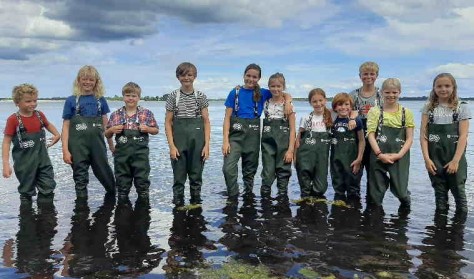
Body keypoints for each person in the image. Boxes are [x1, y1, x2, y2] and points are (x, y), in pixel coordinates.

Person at [222, 63, 292, 198]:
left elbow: (283, 93)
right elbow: (227, 118)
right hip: (234, 137)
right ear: (243, 76)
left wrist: (288, 102)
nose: (251, 79)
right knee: (228, 168)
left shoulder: (263, 93)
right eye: (248, 75)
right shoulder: (234, 93)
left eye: (254, 77)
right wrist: (225, 141)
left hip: (252, 138)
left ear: (258, 79)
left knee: (250, 171)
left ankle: (248, 198)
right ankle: (233, 196)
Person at [61, 65, 115, 199]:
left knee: (105, 173)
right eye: (84, 79)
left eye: (91, 80)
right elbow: (66, 126)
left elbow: (106, 125)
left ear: (96, 82)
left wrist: (111, 146)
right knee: (80, 178)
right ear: (78, 80)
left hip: (97, 146)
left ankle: (114, 199)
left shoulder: (100, 100)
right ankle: (81, 210)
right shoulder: (71, 100)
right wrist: (65, 150)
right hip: (77, 147)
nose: (87, 82)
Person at [420, 73, 471, 214]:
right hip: (434, 159)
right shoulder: (428, 108)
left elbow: (463, 136)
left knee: (459, 195)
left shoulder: (461, 107)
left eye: (447, 86)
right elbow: (423, 136)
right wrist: (426, 159)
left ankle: (459, 232)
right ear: (434, 88)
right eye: (439, 86)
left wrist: (455, 160)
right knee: (440, 197)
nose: (443, 89)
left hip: (455, 158)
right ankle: (439, 231)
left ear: (453, 87)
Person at [2, 83, 60, 202]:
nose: (33, 104)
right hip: (24, 164)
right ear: (17, 103)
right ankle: (26, 217)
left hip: (43, 161)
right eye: (28, 101)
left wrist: (57, 135)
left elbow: (48, 124)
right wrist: (6, 164)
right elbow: (6, 142)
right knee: (26, 192)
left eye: (35, 100)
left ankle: (47, 216)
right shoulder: (13, 120)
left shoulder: (39, 115)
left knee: (48, 187)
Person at [165, 62, 210, 206]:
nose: (186, 78)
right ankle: (178, 205)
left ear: (194, 76)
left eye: (189, 75)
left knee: (196, 176)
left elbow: (206, 121)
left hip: (197, 143)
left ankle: (196, 204)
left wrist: (207, 146)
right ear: (178, 77)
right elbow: (168, 122)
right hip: (178, 143)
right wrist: (172, 146)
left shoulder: (200, 96)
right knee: (178, 177)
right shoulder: (173, 96)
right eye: (183, 75)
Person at [105, 82, 159, 200]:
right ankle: (123, 208)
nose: (130, 98)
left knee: (142, 183)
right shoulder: (115, 115)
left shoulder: (146, 113)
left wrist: (148, 129)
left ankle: (143, 210)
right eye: (128, 95)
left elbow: (156, 130)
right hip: (122, 157)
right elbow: (107, 134)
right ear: (123, 97)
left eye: (134, 96)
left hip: (140, 156)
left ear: (139, 98)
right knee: (122, 185)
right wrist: (113, 129)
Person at [366, 78, 414, 208]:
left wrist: (399, 155)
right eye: (387, 92)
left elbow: (409, 138)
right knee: (376, 193)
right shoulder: (375, 111)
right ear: (381, 92)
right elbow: (370, 134)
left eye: (394, 92)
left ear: (399, 92)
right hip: (378, 154)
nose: (391, 95)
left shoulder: (406, 113)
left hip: (399, 155)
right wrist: (379, 154)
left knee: (401, 191)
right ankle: (376, 221)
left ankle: (406, 204)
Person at [349, 61, 382, 199]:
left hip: (376, 134)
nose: (368, 76)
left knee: (373, 171)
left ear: (377, 75)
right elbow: (344, 111)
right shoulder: (354, 94)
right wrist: (353, 114)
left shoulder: (381, 94)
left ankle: (372, 202)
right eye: (365, 74)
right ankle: (353, 199)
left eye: (372, 74)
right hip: (357, 134)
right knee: (355, 168)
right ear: (360, 76)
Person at [260, 73, 296, 198]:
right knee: (267, 172)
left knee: (283, 171)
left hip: (284, 145)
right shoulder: (265, 103)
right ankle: (265, 200)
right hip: (267, 145)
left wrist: (291, 150)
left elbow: (292, 129)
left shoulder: (289, 106)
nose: (276, 89)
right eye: (272, 86)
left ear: (283, 87)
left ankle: (282, 198)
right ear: (269, 87)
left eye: (278, 86)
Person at [295, 88, 332, 199]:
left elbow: (348, 110)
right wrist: (294, 157)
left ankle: (316, 205)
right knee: (305, 188)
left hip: (322, 158)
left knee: (321, 188)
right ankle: (305, 208)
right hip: (305, 156)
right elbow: (298, 138)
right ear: (310, 103)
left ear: (325, 100)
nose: (318, 104)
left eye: (320, 100)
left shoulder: (331, 116)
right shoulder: (306, 118)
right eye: (314, 101)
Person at [330, 92, 365, 202]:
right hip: (336, 160)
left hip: (352, 160)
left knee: (353, 190)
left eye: (346, 104)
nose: (343, 107)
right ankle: (338, 215)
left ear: (351, 106)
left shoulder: (356, 121)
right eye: (340, 105)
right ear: (335, 107)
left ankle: (354, 213)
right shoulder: (332, 120)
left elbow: (362, 141)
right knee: (338, 189)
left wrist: (359, 159)